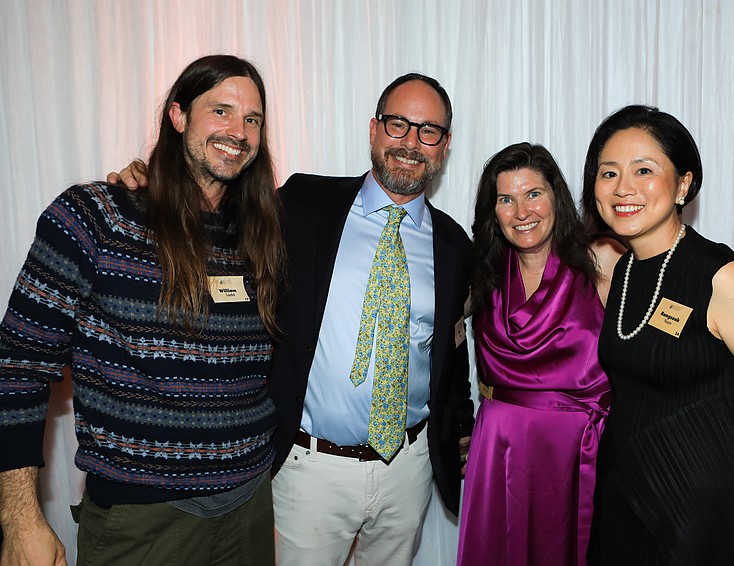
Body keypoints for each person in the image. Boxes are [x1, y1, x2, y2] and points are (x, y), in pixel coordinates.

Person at [111, 72, 474, 566]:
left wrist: (461, 428)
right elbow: (215, 209)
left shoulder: (455, 246)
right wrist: (153, 182)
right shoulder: (302, 203)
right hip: (309, 471)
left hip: (407, 472)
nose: (411, 142)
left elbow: (450, 350)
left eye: (428, 130)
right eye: (398, 125)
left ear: (445, 145)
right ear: (373, 130)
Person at [0, 55, 285, 566]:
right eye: (220, 111)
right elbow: (18, 366)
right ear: (178, 116)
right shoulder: (94, 216)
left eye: (252, 120)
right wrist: (19, 520)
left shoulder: (259, 234)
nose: (237, 131)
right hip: (145, 521)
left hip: (249, 506)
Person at [581, 104, 734, 565]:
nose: (623, 188)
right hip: (622, 498)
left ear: (683, 185)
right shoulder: (618, 268)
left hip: (702, 515)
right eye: (608, 173)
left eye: (643, 170)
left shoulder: (724, 279)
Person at [458, 143, 620, 566]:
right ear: (493, 212)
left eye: (533, 194)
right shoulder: (483, 273)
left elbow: (648, 350)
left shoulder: (601, 260)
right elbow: (439, 344)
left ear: (556, 197)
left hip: (578, 451)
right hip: (499, 450)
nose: (521, 212)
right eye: (506, 200)